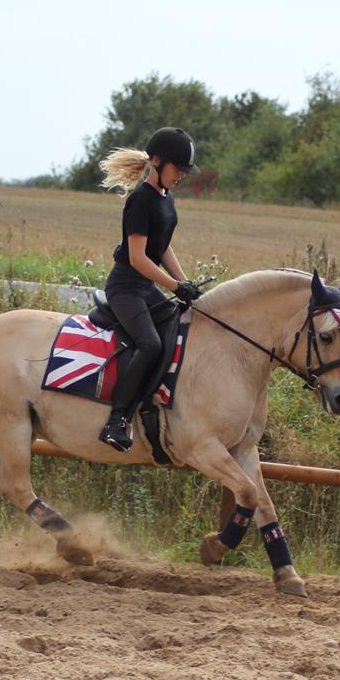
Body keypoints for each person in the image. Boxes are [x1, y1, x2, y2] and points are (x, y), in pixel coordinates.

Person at [96, 127, 203, 451]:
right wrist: (173, 285)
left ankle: (153, 403)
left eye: (186, 170)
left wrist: (185, 284)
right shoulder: (140, 201)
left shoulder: (165, 198)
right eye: (178, 168)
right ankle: (117, 420)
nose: (182, 175)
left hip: (145, 287)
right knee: (150, 344)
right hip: (126, 288)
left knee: (177, 329)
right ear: (157, 162)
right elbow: (138, 258)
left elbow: (162, 248)